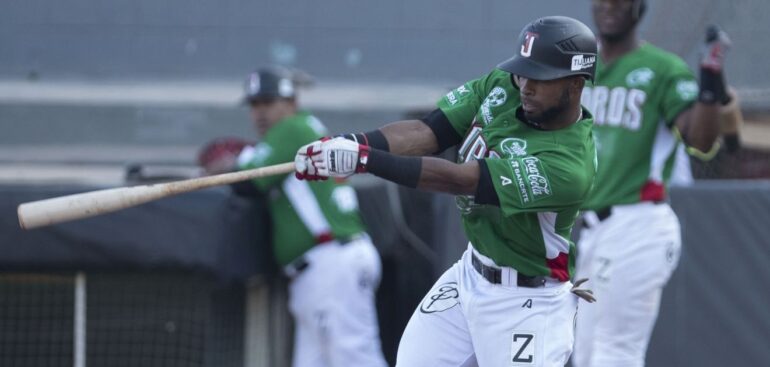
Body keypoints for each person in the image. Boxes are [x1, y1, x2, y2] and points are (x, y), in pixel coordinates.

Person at [295, 16, 599, 366]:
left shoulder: (569, 165)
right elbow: (429, 131)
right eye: (523, 71)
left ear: (576, 84)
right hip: (471, 273)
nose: (526, 85)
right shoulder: (505, 85)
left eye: (540, 77)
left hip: (527, 303)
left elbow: (459, 179)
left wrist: (364, 160)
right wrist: (352, 143)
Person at [572, 1, 733, 366]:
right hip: (591, 232)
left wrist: (709, 82)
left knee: (615, 352)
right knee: (582, 353)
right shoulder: (581, 68)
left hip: (638, 227)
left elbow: (702, 141)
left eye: (620, 1)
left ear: (638, 7)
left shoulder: (662, 69)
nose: (609, 7)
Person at [203, 66, 388, 367]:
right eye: (254, 105)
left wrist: (227, 167)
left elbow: (247, 182)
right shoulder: (300, 131)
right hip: (325, 266)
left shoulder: (293, 129)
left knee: (356, 359)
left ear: (291, 102)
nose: (259, 113)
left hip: (331, 263)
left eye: (268, 102)